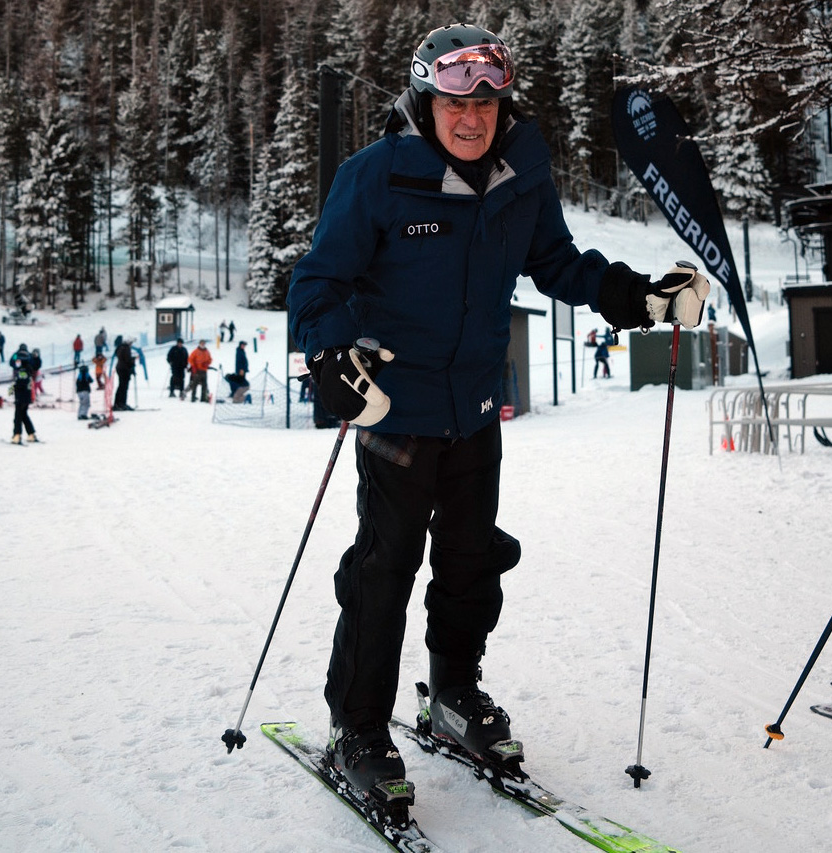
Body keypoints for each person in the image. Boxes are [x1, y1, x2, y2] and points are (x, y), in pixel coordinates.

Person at [287, 22, 710, 801]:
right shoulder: (376, 175)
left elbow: (556, 262)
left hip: (476, 405)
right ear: (425, 100)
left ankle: (453, 692)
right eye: (455, 103)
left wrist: (637, 297)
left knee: (472, 560)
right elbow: (317, 281)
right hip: (396, 412)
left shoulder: (520, 172)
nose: (473, 118)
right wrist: (328, 355)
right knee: (384, 570)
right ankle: (359, 728)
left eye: (487, 102)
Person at [9, 343, 38, 443]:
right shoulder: (29, 359)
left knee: (18, 414)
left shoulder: (16, 357)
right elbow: (36, 365)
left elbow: (11, 362)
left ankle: (17, 435)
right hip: (28, 390)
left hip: (20, 390)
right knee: (23, 413)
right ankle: (31, 434)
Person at [113, 337, 135, 411]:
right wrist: (132, 361)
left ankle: (118, 403)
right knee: (124, 387)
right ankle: (122, 403)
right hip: (124, 369)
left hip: (120, 368)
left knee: (121, 386)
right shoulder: (126, 348)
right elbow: (127, 359)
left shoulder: (120, 348)